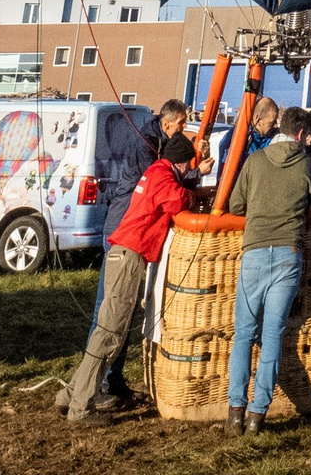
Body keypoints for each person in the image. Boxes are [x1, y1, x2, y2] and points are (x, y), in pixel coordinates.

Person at [64, 106, 197, 420]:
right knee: (110, 331)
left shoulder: (153, 170)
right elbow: (176, 200)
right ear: (180, 162)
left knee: (106, 328)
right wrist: (193, 196)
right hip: (128, 258)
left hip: (120, 251)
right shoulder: (165, 177)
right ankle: (80, 407)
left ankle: (70, 392)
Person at [227, 100, 311, 431]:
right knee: (273, 334)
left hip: (254, 252)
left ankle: (235, 409)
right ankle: (257, 414)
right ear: (301, 133)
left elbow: (236, 204)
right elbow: (310, 203)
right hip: (289, 255)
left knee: (244, 335)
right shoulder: (306, 164)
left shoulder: (255, 160)